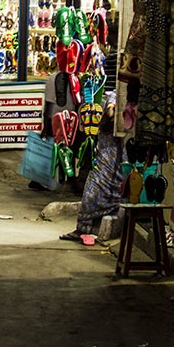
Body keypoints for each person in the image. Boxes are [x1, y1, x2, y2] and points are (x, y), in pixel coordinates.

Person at [60, 102, 123, 242]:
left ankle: (86, 229)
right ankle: (83, 229)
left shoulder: (120, 130)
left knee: (93, 195)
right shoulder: (104, 128)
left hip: (112, 168)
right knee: (90, 196)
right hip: (102, 166)